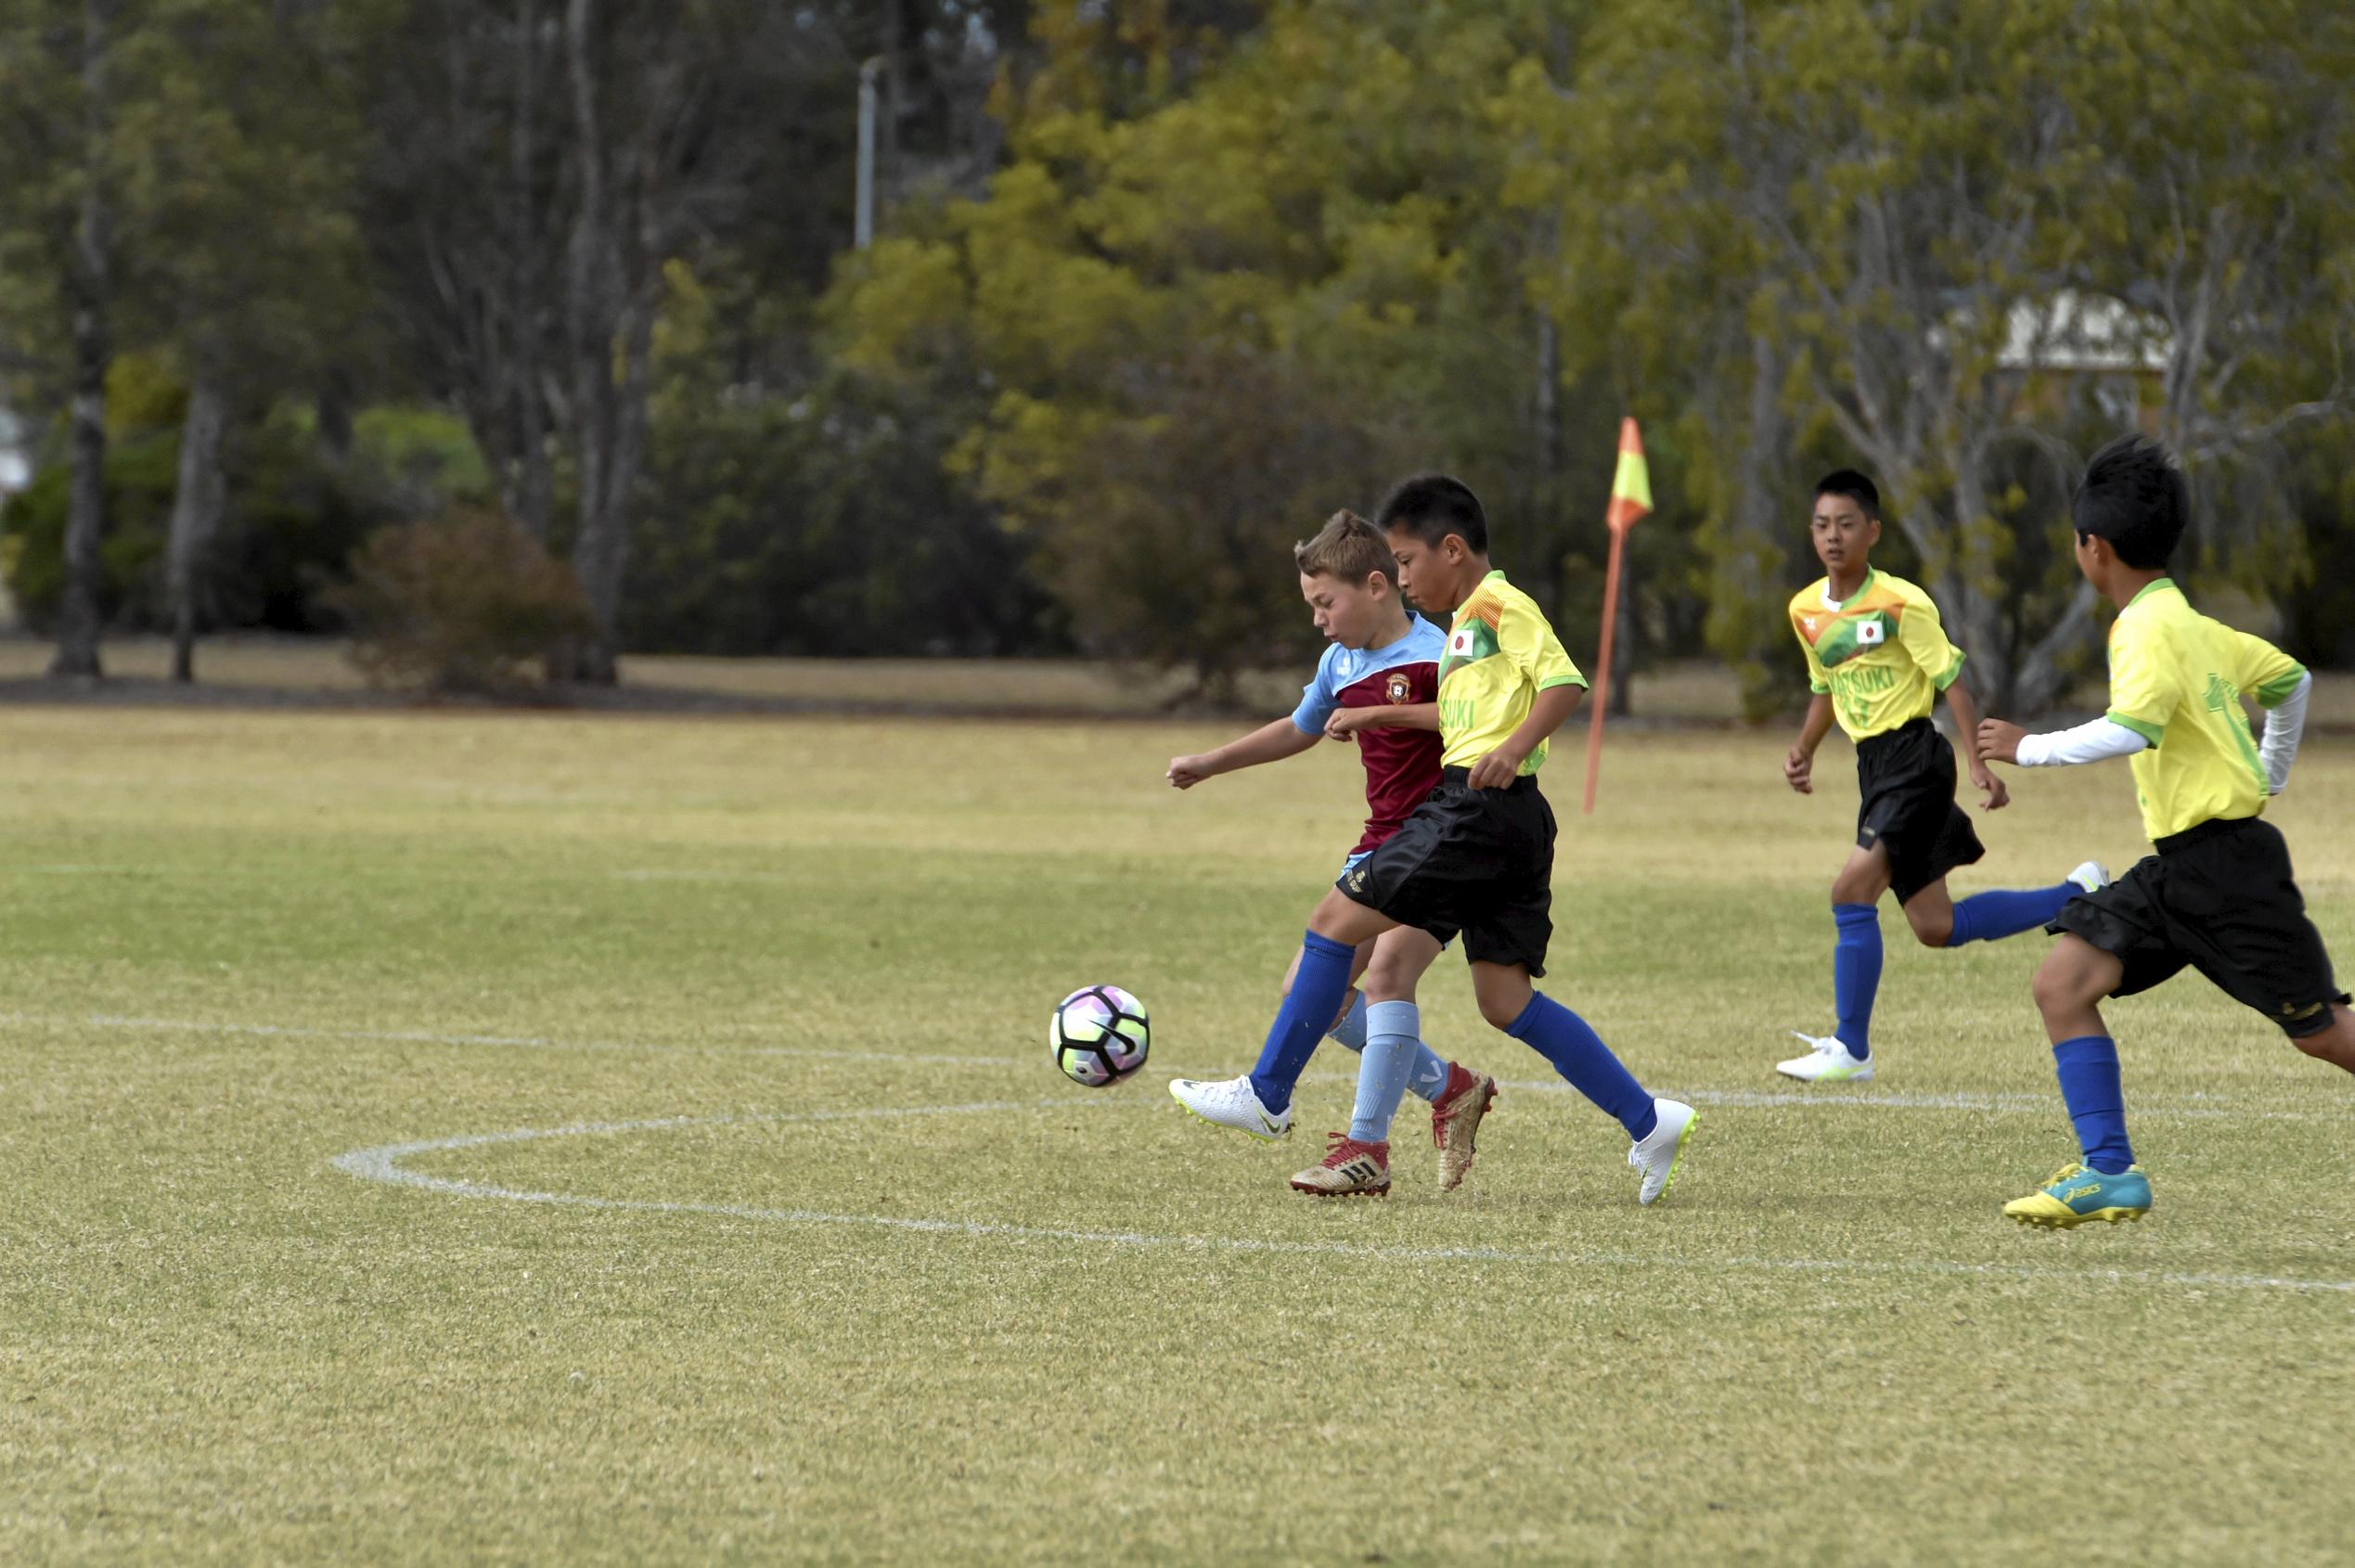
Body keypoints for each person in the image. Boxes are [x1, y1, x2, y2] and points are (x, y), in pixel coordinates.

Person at [1241, 474, 1695, 1204]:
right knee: (1505, 1001)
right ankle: (1649, 1120)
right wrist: (1378, 719)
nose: (1403, 577)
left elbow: (1564, 683)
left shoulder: (1498, 605)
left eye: (1408, 561)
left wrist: (1514, 749)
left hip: (1478, 811)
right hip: (1507, 821)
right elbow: (1457, 724)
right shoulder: (1463, 631)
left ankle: (1268, 1093)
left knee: (1333, 924)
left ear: (1453, 549)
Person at [1978, 433, 2352, 1227]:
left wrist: (2028, 748)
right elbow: (2291, 680)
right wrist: (2269, 771)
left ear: (2094, 548)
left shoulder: (2146, 630)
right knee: (2063, 984)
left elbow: (2132, 728)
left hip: (2230, 873)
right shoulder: (2194, 624)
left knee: (2323, 1035)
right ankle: (2110, 1172)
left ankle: (2109, 1167)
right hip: (2182, 868)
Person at [1165, 510, 1498, 1195]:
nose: (1318, 619)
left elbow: (1474, 715)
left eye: (1326, 603)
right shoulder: (1340, 661)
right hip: (1380, 845)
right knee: (1311, 991)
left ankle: (1361, 1147)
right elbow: (1299, 727)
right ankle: (1450, 1088)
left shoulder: (1435, 652)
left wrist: (1381, 715)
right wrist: (1210, 762)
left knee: (1383, 982)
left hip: (1438, 840)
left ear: (1377, 586)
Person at [1777, 469, 2107, 1084]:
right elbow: (1825, 687)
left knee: (1850, 892)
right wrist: (1803, 749)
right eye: (1822, 524)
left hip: (1916, 761)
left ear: (1872, 532)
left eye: (1846, 524)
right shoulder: (1804, 611)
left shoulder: (1901, 603)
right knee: (1936, 926)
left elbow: (1951, 679)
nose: (1833, 536)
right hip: (1874, 770)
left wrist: (1977, 762)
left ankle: (1851, 1049)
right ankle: (2074, 896)